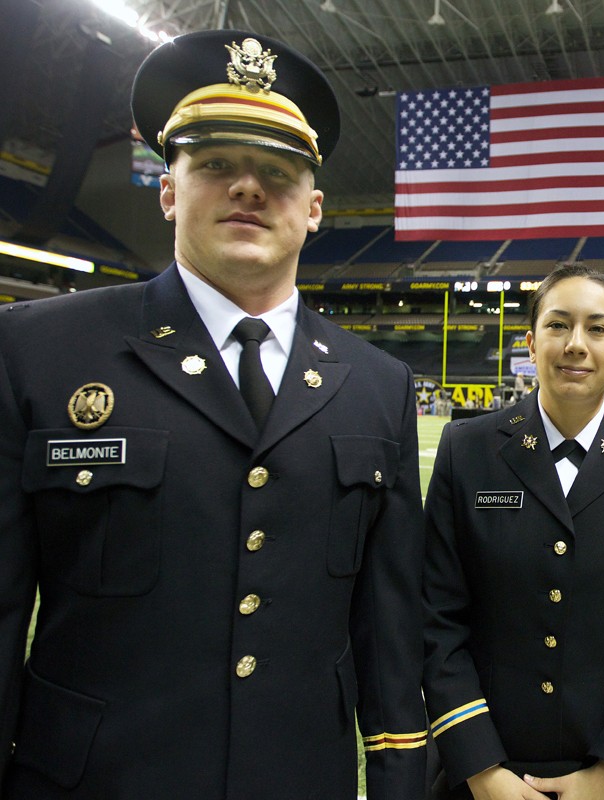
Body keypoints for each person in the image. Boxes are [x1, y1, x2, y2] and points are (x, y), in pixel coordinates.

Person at [0, 30, 426, 798]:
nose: (248, 188)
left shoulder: (377, 383)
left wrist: (400, 776)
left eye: (279, 172)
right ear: (169, 188)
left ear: (315, 208)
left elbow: (387, 628)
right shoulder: (38, 351)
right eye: (217, 165)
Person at [423, 265, 604, 800]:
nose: (576, 344)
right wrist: (482, 768)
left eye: (597, 328)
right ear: (530, 343)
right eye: (558, 325)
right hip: (481, 770)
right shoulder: (468, 451)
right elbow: (436, 619)